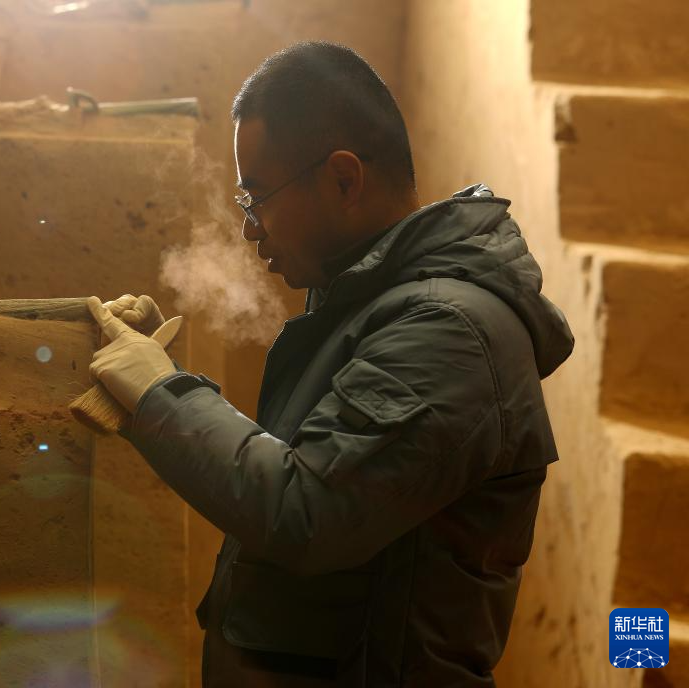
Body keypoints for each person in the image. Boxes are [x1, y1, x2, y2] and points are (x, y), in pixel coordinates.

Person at [87, 41, 574, 687]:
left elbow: (305, 512)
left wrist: (161, 393)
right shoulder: (373, 310)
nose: (250, 228)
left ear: (344, 179)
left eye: (258, 197)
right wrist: (157, 377)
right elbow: (301, 471)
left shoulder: (448, 332)